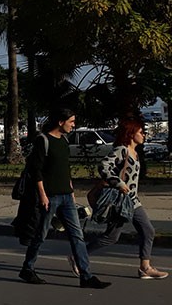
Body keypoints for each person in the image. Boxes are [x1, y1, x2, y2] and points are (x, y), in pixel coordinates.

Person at [19, 106, 107, 288]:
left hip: (66, 197)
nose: (73, 126)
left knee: (77, 235)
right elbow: (36, 171)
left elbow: (65, 170)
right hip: (50, 197)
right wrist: (42, 195)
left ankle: (86, 276)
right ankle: (27, 268)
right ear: (60, 122)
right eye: (71, 122)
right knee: (41, 235)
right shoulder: (43, 140)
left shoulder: (64, 141)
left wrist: (72, 192)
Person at [98, 117, 164, 279]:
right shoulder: (122, 150)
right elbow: (104, 166)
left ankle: (145, 267)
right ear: (131, 133)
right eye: (141, 132)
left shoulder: (135, 152)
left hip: (133, 201)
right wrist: (118, 183)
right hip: (121, 202)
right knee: (111, 237)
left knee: (148, 230)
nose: (144, 135)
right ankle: (79, 256)